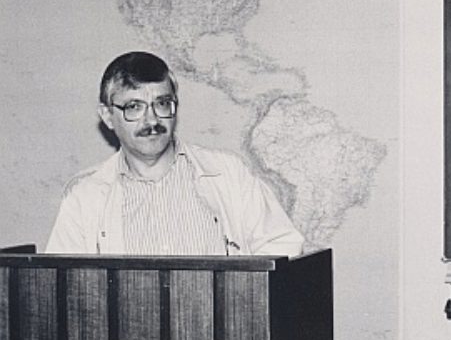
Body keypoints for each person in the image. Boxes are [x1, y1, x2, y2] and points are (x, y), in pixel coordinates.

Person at [46, 51, 304, 256]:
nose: (152, 119)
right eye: (134, 107)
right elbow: (64, 288)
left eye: (162, 103)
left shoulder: (228, 173)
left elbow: (282, 247)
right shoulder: (85, 195)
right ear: (108, 116)